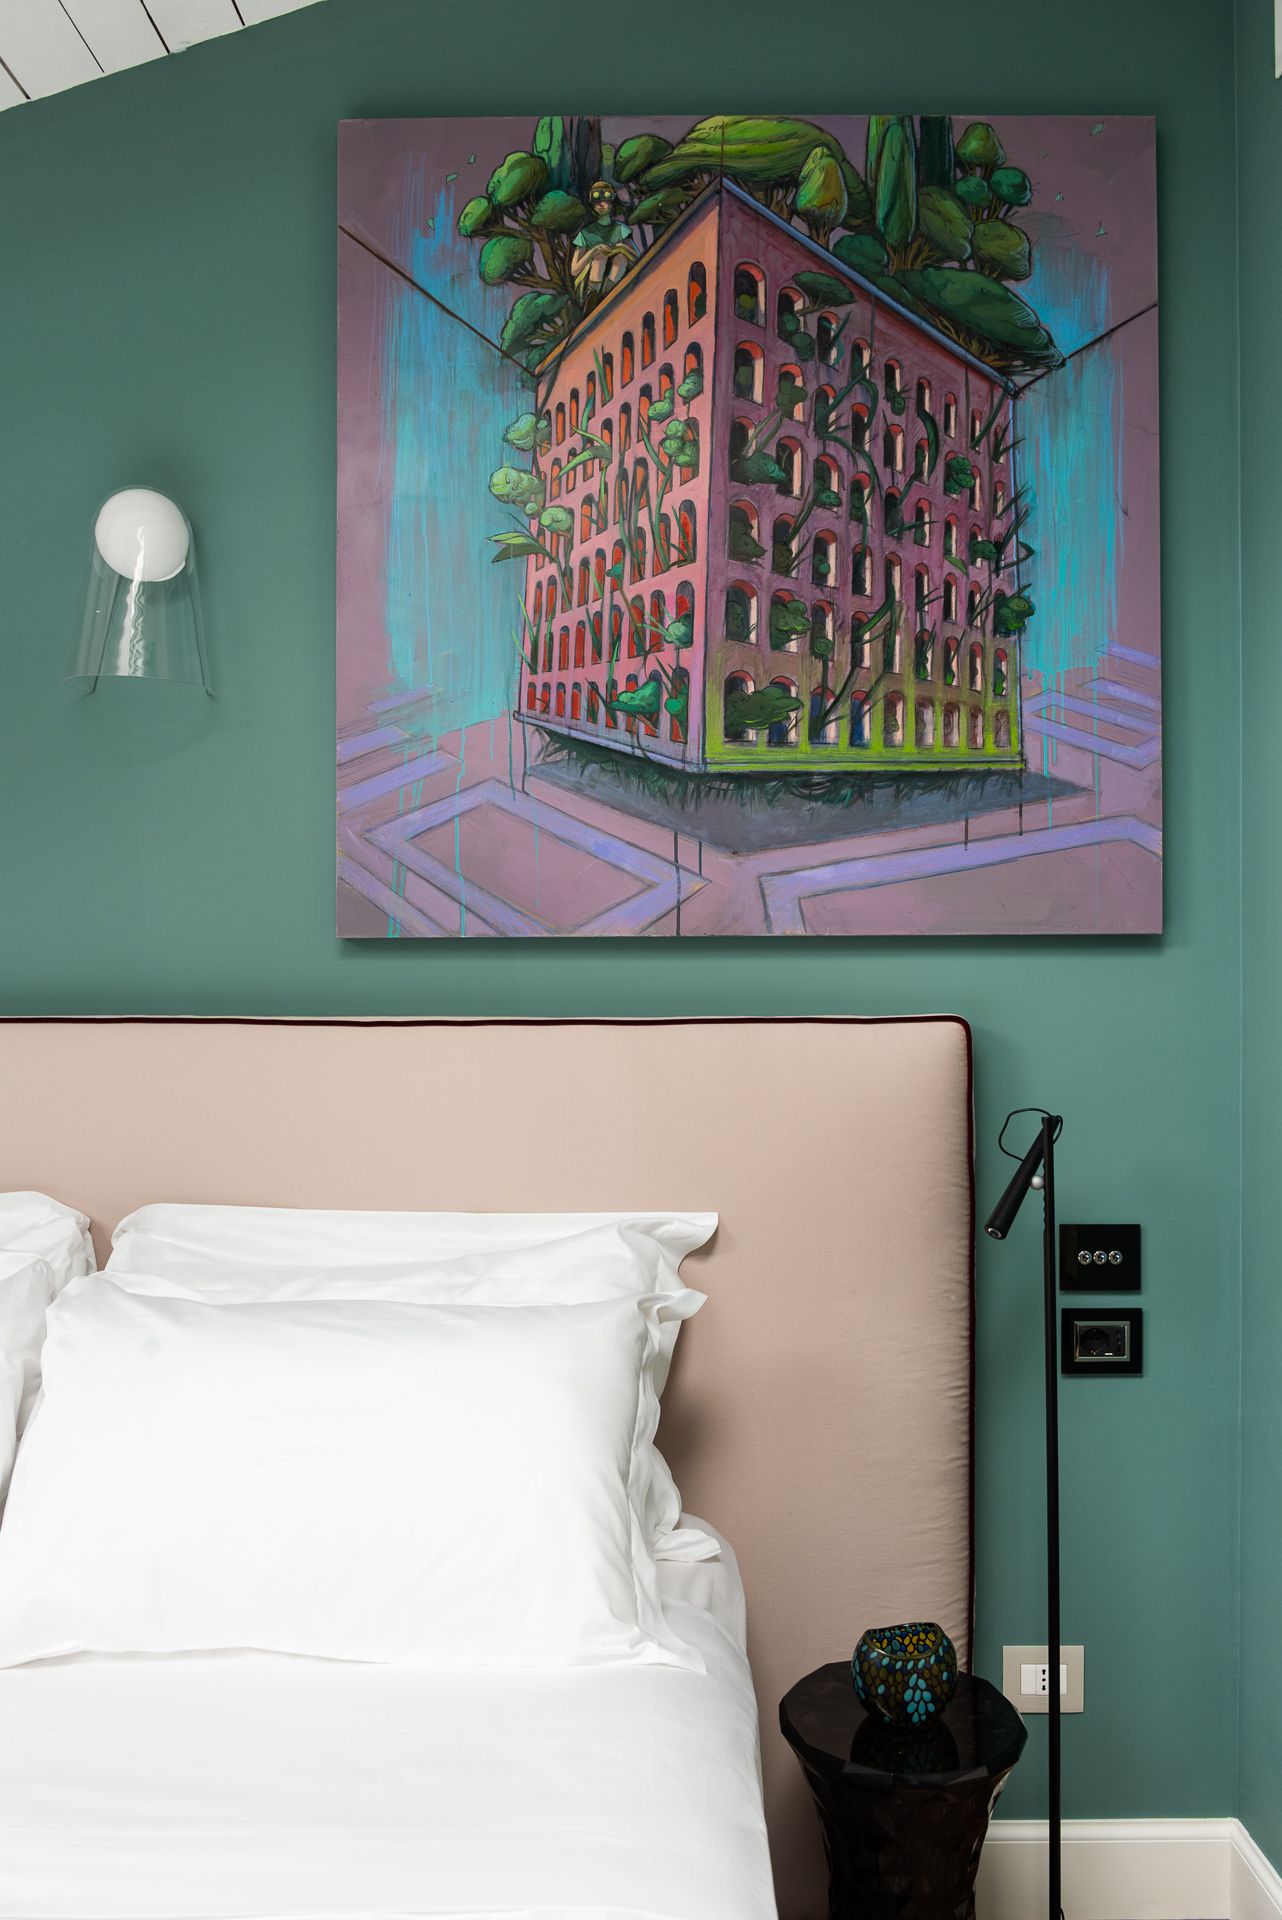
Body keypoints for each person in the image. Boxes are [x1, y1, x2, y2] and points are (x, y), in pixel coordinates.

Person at [571, 182, 636, 303]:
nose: (601, 204)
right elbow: (574, 270)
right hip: (588, 281)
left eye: (605, 200)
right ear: (592, 205)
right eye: (597, 201)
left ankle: (607, 295)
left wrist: (622, 248)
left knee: (621, 258)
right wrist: (593, 251)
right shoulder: (585, 233)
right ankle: (591, 298)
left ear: (611, 203)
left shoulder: (621, 230)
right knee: (599, 258)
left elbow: (638, 257)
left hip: (617, 280)